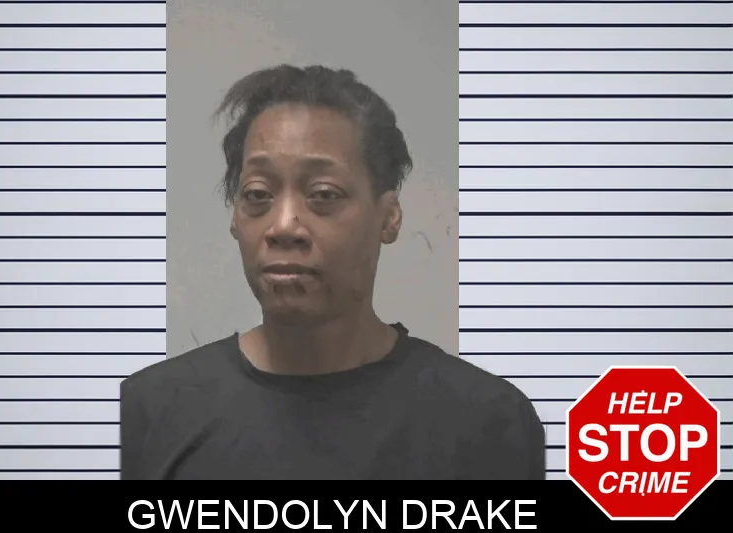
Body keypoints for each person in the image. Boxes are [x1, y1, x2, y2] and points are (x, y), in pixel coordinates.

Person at [120, 64, 546, 480]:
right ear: (235, 218)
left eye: (323, 194)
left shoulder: (488, 423)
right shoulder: (147, 415)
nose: (283, 226)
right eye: (258, 194)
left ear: (389, 216)